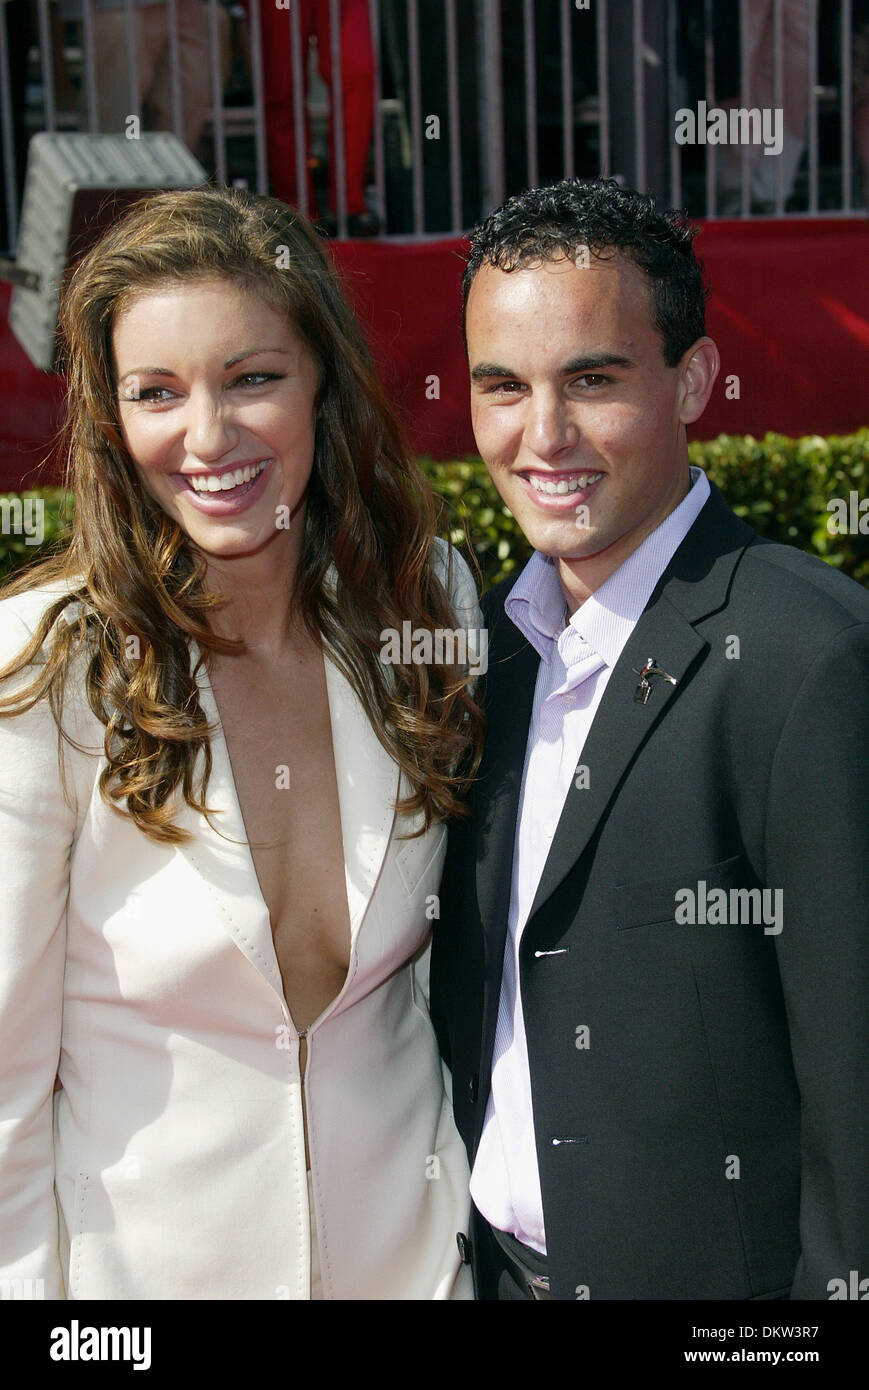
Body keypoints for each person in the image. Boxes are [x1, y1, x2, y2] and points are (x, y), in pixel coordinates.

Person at [0, 185, 483, 1299]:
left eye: (251, 378)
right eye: (156, 393)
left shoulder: (428, 609)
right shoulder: (50, 670)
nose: (206, 437)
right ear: (113, 418)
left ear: (322, 380)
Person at [430, 177, 869, 1300]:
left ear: (692, 380)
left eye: (590, 379)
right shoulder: (485, 651)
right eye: (501, 386)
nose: (542, 436)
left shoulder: (808, 657)